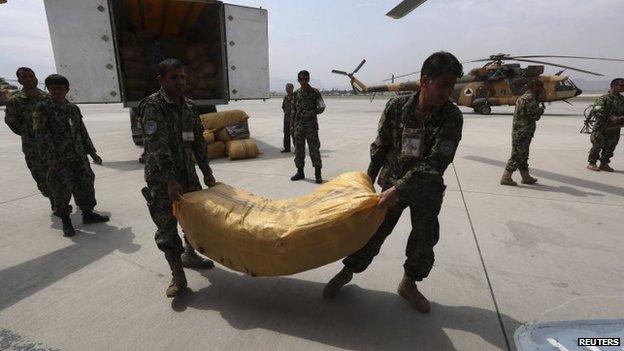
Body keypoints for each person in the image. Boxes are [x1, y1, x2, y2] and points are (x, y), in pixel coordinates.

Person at [323, 52, 464, 314]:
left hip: (425, 190)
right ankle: (348, 271)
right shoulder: (396, 107)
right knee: (372, 232)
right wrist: (366, 181)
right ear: (425, 81)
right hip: (390, 184)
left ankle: (409, 284)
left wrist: (399, 189)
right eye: (443, 84)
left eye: (452, 85)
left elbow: (436, 163)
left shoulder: (452, 117)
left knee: (424, 240)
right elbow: (380, 146)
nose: (448, 91)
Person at [140, 58, 216, 298]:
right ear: (161, 79)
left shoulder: (190, 107)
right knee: (166, 227)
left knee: (192, 221)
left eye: (183, 77)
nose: (180, 82)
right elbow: (157, 146)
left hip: (188, 173)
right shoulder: (153, 106)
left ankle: (190, 254)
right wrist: (171, 181)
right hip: (162, 179)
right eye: (174, 77)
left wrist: (207, 172)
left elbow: (198, 142)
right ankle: (177, 275)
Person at [32, 74, 108, 237]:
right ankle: (66, 220)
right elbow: (41, 135)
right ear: (48, 90)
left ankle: (88, 213)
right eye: (53, 88)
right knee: (61, 189)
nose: (57, 91)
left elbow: (82, 131)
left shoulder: (73, 109)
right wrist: (50, 158)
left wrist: (92, 152)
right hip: (59, 159)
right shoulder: (43, 108)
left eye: (60, 88)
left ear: (67, 90)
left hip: (79, 156)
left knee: (86, 183)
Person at [4, 68, 53, 210]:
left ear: (36, 77)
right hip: (32, 146)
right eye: (25, 77)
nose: (29, 79)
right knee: (40, 174)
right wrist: (28, 133)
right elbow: (11, 121)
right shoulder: (15, 100)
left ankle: (60, 199)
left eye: (31, 76)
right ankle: (52, 199)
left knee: (57, 172)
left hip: (51, 143)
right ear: (20, 81)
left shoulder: (47, 97)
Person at [500, 79, 545, 185]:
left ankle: (526, 177)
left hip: (521, 131)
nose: (541, 89)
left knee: (523, 155)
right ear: (534, 87)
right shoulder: (529, 98)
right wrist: (541, 110)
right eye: (540, 87)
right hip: (523, 132)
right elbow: (535, 116)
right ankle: (506, 177)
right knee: (517, 155)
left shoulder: (523, 97)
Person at [290, 70, 326, 184]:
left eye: (305, 79)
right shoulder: (296, 94)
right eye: (301, 79)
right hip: (299, 127)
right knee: (299, 150)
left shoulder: (315, 92)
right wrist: (291, 125)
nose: (304, 81)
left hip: (311, 127)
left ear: (309, 79)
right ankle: (300, 172)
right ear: (298, 80)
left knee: (314, 150)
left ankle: (318, 174)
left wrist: (311, 113)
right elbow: (293, 111)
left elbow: (322, 107)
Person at [587, 78, 624, 172]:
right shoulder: (604, 98)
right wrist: (611, 117)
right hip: (601, 128)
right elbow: (597, 110)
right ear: (613, 86)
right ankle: (592, 163)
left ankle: (604, 164)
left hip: (615, 128)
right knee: (597, 145)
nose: (623, 87)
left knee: (610, 147)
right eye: (621, 85)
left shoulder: (622, 99)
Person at [281, 83, 295, 153]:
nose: (287, 89)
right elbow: (283, 107)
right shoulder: (285, 97)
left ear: (292, 88)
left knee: (294, 134)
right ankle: (287, 148)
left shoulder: (295, 97)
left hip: (294, 119)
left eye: (288, 88)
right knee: (286, 134)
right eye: (286, 88)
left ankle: (297, 149)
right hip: (286, 119)